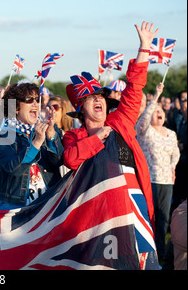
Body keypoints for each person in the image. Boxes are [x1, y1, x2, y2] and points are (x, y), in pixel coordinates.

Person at [63, 21, 160, 269]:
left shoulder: (121, 122)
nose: (98, 101)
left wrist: (144, 48)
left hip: (134, 208)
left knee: (145, 265)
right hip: (100, 215)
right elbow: (71, 159)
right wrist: (97, 138)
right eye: (91, 99)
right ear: (80, 110)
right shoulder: (73, 137)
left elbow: (135, 88)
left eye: (100, 97)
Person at [0, 81, 64, 210]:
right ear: (15, 107)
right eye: (29, 99)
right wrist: (37, 142)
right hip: (15, 206)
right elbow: (14, 169)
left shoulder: (47, 128)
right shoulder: (3, 136)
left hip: (48, 203)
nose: (35, 103)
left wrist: (51, 138)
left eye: (37, 99)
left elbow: (59, 162)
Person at [136, 82, 180, 259]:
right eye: (155, 111)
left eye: (161, 110)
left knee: (164, 218)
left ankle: (160, 252)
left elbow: (175, 153)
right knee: (150, 217)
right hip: (150, 180)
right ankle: (148, 251)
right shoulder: (145, 132)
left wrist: (172, 167)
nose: (159, 112)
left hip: (166, 181)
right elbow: (144, 119)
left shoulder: (171, 134)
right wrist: (155, 98)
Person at [46, 95, 75, 177]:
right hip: (55, 179)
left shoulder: (73, 133)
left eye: (55, 107)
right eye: (48, 107)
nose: (51, 110)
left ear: (64, 110)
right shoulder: (45, 134)